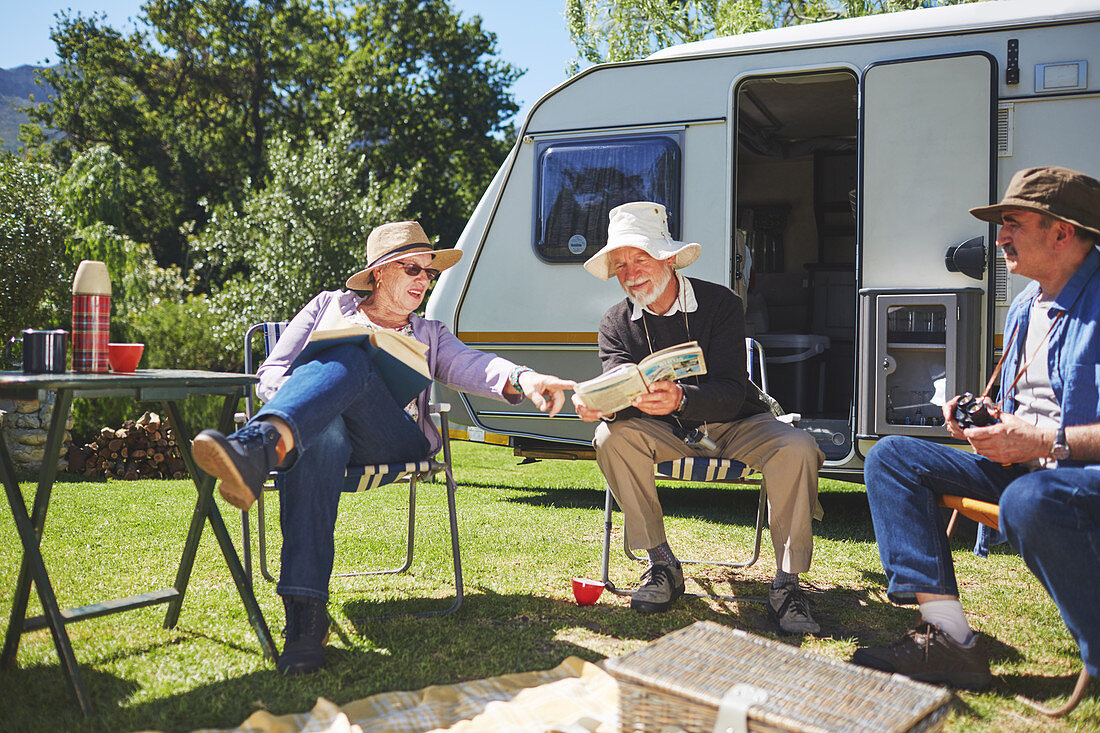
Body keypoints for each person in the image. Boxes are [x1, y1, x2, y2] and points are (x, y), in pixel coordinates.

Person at [193, 221, 573, 675]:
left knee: (351, 357)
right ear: (379, 274)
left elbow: (475, 364)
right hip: (323, 438)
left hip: (391, 440)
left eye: (429, 273)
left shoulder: (430, 333)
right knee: (327, 428)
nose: (424, 281)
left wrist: (524, 378)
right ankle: (304, 621)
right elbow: (272, 372)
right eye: (413, 269)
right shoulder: (328, 306)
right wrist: (318, 389)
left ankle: (259, 447)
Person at [852, 166, 1100, 692]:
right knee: (892, 457)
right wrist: (983, 417)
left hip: (1078, 474)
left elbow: (1048, 434)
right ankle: (949, 639)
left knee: (1030, 500)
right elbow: (1019, 409)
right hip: (1021, 469)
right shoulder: (1022, 308)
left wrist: (1044, 441)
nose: (1000, 237)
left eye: (1013, 223)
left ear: (1062, 231)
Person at [572, 201, 825, 633]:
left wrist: (681, 399)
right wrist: (601, 402)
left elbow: (730, 390)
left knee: (798, 446)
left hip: (736, 422)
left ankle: (787, 583)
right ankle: (662, 563)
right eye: (621, 264)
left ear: (668, 258)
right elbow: (617, 385)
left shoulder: (719, 303)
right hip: (666, 432)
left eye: (641, 257)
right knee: (608, 437)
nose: (631, 273)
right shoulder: (615, 322)